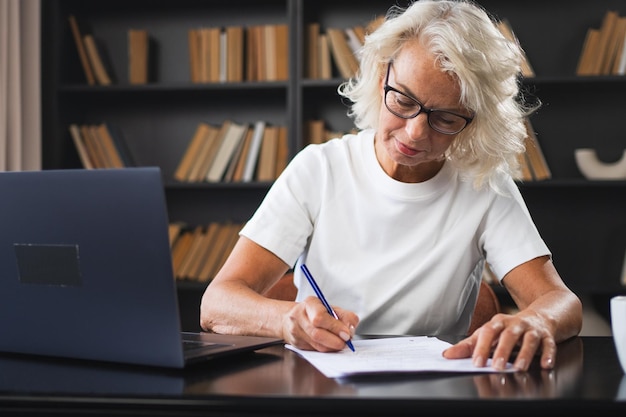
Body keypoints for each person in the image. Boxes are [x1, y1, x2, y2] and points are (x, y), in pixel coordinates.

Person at [200, 0, 582, 371]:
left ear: (474, 120)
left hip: (434, 390)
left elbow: (559, 301)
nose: (414, 133)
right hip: (322, 386)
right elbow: (217, 304)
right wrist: (287, 321)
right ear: (382, 75)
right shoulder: (319, 170)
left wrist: (536, 321)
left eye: (445, 118)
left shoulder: (484, 186)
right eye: (403, 99)